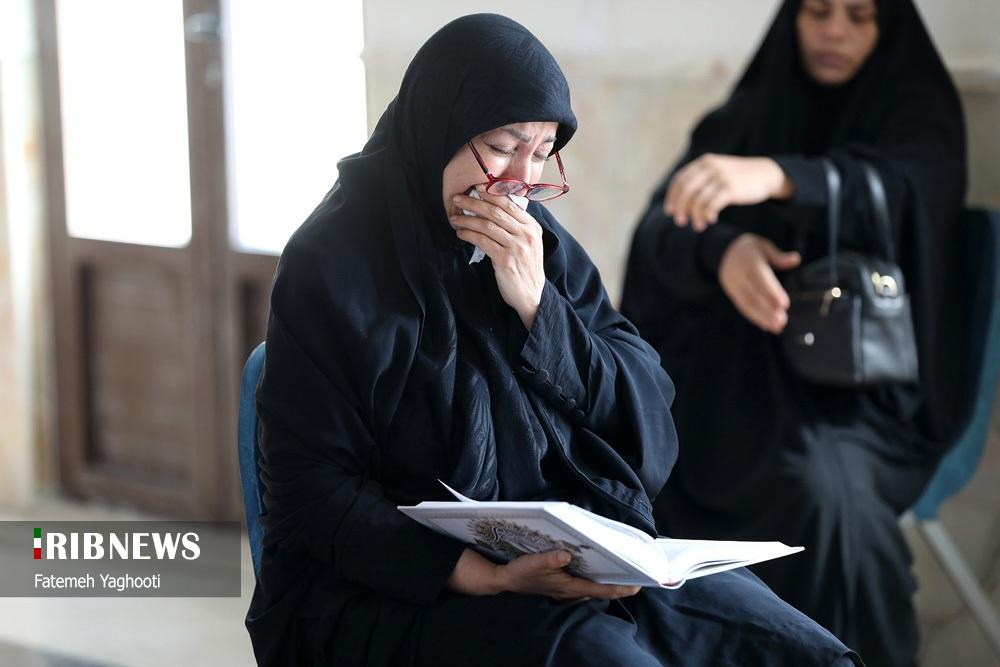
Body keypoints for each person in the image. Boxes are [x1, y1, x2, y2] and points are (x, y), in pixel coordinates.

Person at [245, 13, 860, 667]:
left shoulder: (536, 242)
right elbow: (312, 492)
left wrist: (538, 305)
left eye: (540, 154)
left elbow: (645, 405)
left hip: (566, 559)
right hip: (397, 586)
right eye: (502, 146)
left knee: (800, 652)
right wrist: (484, 575)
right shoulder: (331, 263)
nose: (519, 179)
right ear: (438, 125)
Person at [621, 1, 966, 665]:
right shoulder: (748, 114)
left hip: (862, 404)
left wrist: (781, 177)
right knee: (636, 461)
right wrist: (723, 252)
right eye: (818, 11)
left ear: (889, 28)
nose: (834, 30)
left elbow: (899, 194)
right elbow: (661, 229)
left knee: (821, 493)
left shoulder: (921, 119)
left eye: (860, 16)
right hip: (735, 386)